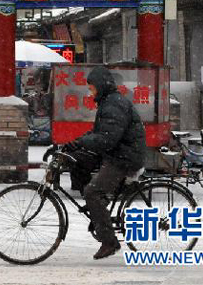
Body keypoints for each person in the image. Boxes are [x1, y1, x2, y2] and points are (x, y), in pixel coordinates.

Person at [64, 66, 145, 260]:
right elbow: (98, 133)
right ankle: (99, 210)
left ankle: (109, 241)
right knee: (80, 165)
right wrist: (77, 143)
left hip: (124, 157)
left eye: (92, 88)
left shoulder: (113, 105)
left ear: (100, 86)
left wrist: (82, 142)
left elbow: (107, 139)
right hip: (118, 152)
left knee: (93, 192)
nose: (90, 92)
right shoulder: (109, 102)